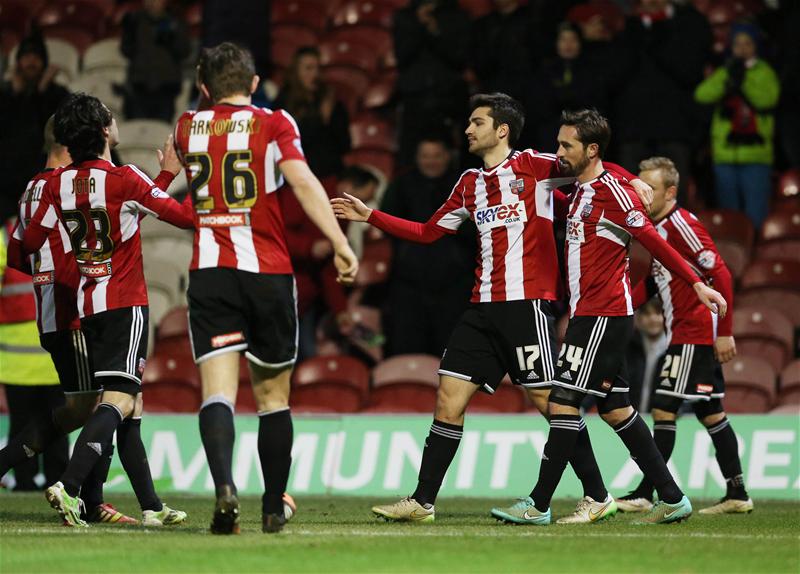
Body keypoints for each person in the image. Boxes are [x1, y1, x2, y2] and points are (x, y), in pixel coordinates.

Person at [333, 93, 654, 525]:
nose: (468, 129)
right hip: (481, 308)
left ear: (501, 129)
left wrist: (630, 178)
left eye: (476, 122)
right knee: (448, 396)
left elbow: (588, 163)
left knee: (551, 404)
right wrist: (372, 216)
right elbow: (429, 232)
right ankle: (422, 501)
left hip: (526, 307)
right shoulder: (469, 183)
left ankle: (597, 495)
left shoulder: (537, 168)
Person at [490, 109, 727, 526]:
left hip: (605, 316)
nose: (559, 153)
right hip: (589, 315)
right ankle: (672, 498)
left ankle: (539, 504)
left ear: (591, 149)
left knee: (563, 402)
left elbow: (652, 240)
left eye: (567, 146)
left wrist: (694, 283)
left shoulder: (613, 193)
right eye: (559, 143)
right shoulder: (580, 192)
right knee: (616, 409)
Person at [173, 42, 358, 535]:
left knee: (218, 394)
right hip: (269, 274)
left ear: (203, 86)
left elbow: (168, 179)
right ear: (254, 84)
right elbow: (302, 181)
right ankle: (274, 506)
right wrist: (339, 242)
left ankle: (224, 488)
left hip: (211, 273)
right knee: (273, 397)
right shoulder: (276, 123)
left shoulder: (187, 127)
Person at [20, 93, 192, 528]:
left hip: (88, 306)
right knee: (117, 401)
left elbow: (28, 242)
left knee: (131, 404)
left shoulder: (58, 184)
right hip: (127, 302)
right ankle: (71, 486)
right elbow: (182, 217)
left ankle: (151, 507)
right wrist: (195, 177)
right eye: (111, 118)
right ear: (103, 132)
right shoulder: (124, 177)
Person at [0, 118, 139, 524]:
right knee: (100, 402)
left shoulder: (32, 188)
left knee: (86, 405)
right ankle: (90, 501)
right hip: (75, 313)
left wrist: (44, 276)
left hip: (54, 315)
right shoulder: (65, 188)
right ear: (69, 144)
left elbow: (15, 256)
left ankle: (89, 500)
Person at [615, 156, 752, 515]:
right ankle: (737, 493)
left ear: (671, 192)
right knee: (712, 413)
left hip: (694, 334)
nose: (643, 195)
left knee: (663, 409)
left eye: (652, 189)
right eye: (639, 187)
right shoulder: (655, 226)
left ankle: (647, 491)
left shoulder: (681, 224)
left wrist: (725, 332)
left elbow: (719, 274)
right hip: (686, 333)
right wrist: (622, 305)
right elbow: (655, 283)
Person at [379, 133, 474, 357]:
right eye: (425, 156)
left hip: (454, 286)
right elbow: (386, 222)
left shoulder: (465, 186)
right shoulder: (402, 184)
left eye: (437, 156)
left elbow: (477, 229)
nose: (431, 161)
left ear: (448, 157)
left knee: (451, 354)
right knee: (408, 349)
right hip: (409, 287)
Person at [615, 0, 712, 200]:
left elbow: (689, 70)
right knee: (629, 199)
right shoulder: (631, 29)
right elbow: (616, 74)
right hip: (634, 128)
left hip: (674, 126)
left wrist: (659, 33)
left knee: (672, 197)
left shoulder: (689, 22)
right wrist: (639, 32)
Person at [0, 217, 67, 492]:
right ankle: (58, 483)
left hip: (19, 359)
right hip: (54, 353)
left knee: (23, 424)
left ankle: (24, 482)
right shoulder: (61, 229)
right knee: (58, 423)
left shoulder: (5, 235)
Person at [695, 24, 780, 230]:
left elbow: (767, 99)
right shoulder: (726, 70)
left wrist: (743, 82)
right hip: (725, 154)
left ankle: (755, 258)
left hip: (756, 156)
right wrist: (727, 79)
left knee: (756, 214)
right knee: (729, 217)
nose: (742, 48)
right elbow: (702, 94)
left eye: (747, 44)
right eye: (737, 44)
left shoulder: (764, 72)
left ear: (755, 46)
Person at [0, 31, 69, 221]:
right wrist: (13, 95)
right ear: (18, 63)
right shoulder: (4, 94)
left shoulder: (56, 94)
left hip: (42, 183)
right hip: (5, 183)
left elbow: (52, 129)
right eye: (26, 57)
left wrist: (42, 93)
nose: (31, 62)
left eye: (36, 57)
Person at [393, 0, 470, 167]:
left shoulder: (457, 16)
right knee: (412, 158)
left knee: (450, 158)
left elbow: (459, 58)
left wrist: (434, 30)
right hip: (414, 99)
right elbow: (402, 57)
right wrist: (419, 26)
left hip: (449, 99)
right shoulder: (405, 17)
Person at [274, 47, 351, 188]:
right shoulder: (283, 103)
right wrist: (321, 119)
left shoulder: (330, 101)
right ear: (296, 72)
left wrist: (330, 119)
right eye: (309, 68)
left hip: (327, 177)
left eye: (317, 68)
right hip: (294, 180)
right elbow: (293, 144)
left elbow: (345, 144)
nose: (315, 74)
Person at [525, 22, 611, 150]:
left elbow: (596, 103)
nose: (568, 45)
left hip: (583, 135)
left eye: (573, 40)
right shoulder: (545, 70)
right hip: (550, 136)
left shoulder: (592, 71)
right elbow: (538, 105)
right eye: (563, 40)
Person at [121, 0, 191, 122]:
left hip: (165, 89)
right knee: (136, 131)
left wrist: (170, 36)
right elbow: (126, 50)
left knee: (160, 132)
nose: (151, 3)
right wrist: (128, 30)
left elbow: (184, 51)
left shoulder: (175, 21)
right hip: (139, 87)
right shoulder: (135, 21)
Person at [625, 299, 668, 412]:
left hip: (663, 419)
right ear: (638, 317)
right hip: (630, 420)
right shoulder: (627, 346)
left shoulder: (675, 348)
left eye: (658, 313)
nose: (653, 319)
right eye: (647, 314)